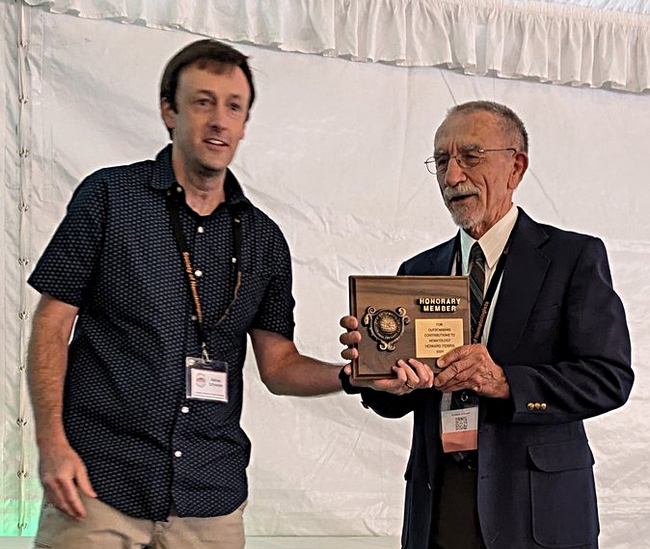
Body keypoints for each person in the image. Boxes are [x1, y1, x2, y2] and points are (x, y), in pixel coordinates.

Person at [27, 39, 343, 549]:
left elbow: (279, 366)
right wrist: (50, 444)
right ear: (168, 111)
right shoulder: (110, 197)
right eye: (203, 101)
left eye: (233, 106)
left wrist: (355, 376)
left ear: (244, 126)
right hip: (97, 486)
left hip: (209, 500)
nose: (219, 119)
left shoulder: (264, 240)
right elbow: (52, 322)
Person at [339, 101, 633, 549]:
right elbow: (398, 401)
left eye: (470, 157)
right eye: (441, 161)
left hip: (538, 507)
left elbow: (609, 378)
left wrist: (506, 382)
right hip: (439, 503)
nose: (453, 176)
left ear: (516, 167)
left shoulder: (573, 258)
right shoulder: (416, 272)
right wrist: (376, 378)